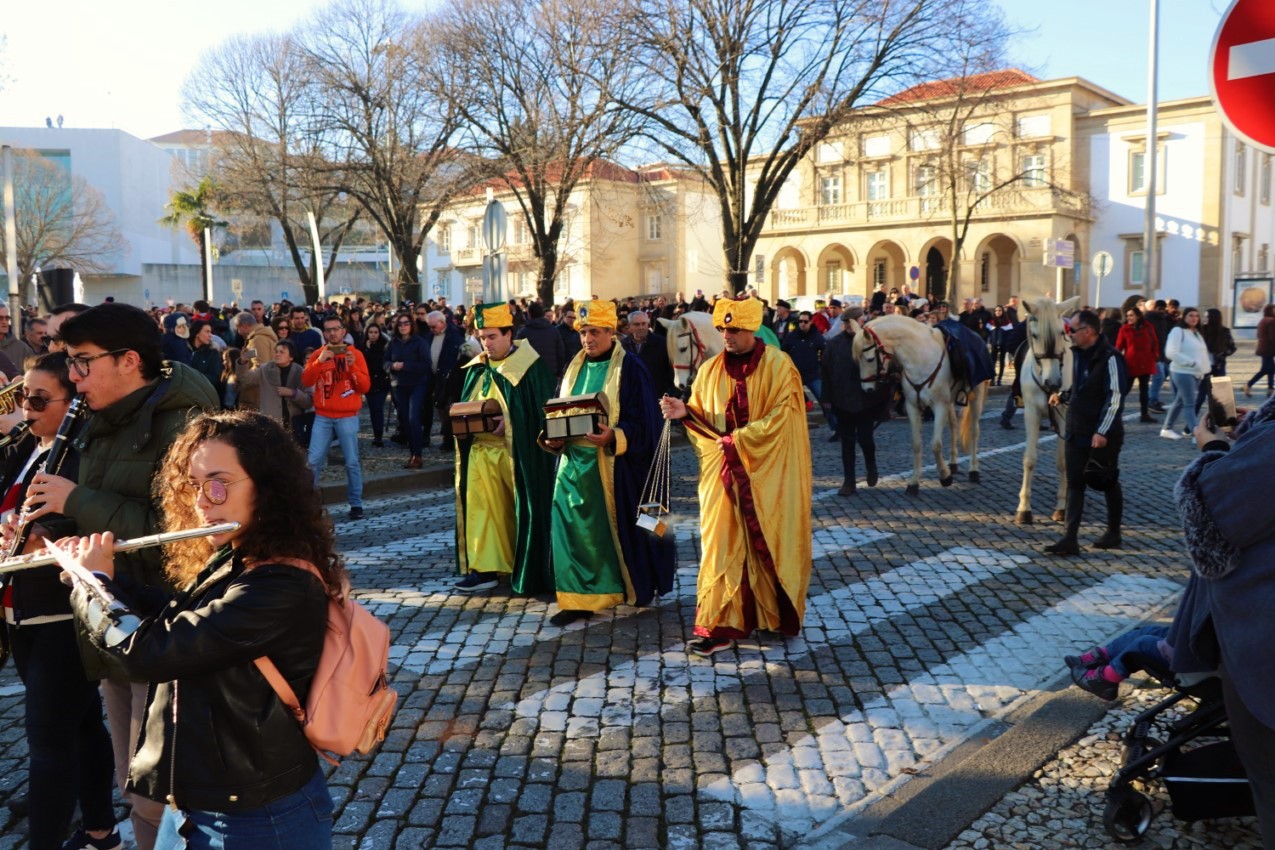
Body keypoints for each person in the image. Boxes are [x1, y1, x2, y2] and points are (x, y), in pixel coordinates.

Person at [59, 411, 337, 848]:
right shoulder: (240, 554)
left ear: (268, 487)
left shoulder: (283, 584)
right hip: (194, 803)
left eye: (219, 482)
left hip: (256, 818)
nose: (203, 501)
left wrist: (93, 587)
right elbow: (178, 614)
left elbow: (151, 650)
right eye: (194, 484)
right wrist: (96, 577)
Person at [20, 303, 219, 850]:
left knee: (161, 789)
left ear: (129, 360)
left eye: (82, 363)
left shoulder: (185, 425)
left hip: (163, 624)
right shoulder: (101, 418)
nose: (74, 377)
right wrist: (48, 532)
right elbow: (98, 518)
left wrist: (76, 498)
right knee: (133, 781)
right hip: (112, 620)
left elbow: (181, 535)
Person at [0, 353, 118, 850]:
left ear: (71, 403)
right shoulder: (26, 444)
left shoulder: (80, 452)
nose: (25, 407)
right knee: (85, 724)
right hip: (20, 608)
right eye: (24, 396)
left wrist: (43, 533)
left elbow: (94, 518)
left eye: (37, 398)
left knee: (48, 744)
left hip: (57, 610)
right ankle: (100, 830)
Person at [659, 296, 812, 656]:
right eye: (723, 329)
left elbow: (784, 421)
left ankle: (771, 616)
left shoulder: (780, 366)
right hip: (721, 477)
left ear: (752, 329)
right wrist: (683, 411)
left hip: (770, 477)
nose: (727, 335)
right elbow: (702, 421)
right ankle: (718, 625)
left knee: (769, 542)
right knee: (719, 546)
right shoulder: (710, 370)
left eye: (735, 329)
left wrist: (736, 441)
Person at [540, 300, 675, 626]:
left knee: (623, 532)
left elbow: (645, 422)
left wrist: (615, 435)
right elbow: (558, 412)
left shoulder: (631, 368)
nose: (588, 339)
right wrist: (550, 438)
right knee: (570, 531)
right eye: (584, 333)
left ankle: (625, 586)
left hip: (615, 470)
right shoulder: (573, 369)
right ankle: (578, 598)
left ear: (611, 332)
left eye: (595, 332)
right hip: (573, 469)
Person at [453, 303, 556, 594]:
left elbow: (540, 413)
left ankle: (521, 565)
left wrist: (509, 422)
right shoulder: (477, 368)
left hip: (515, 456)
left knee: (517, 511)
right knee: (483, 512)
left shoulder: (530, 368)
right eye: (482, 337)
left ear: (509, 334)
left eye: (493, 336)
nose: (487, 343)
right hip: (480, 455)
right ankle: (485, 568)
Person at [1043, 309, 1128, 556]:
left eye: (1073, 330)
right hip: (1075, 431)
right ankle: (1070, 538)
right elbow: (1083, 389)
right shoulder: (1078, 354)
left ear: (1088, 332)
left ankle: (1113, 532)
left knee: (1107, 481)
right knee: (1075, 484)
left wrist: (1102, 432)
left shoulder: (1111, 358)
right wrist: (1064, 396)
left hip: (1102, 436)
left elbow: (1114, 398)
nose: (1069, 335)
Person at [302, 315, 371, 520]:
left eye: (336, 329)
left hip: (348, 415)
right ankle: (309, 505)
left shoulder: (355, 354)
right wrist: (319, 362)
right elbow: (306, 380)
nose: (332, 333)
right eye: (328, 329)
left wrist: (352, 368)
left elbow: (365, 387)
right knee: (313, 461)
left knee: (351, 462)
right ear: (324, 333)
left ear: (343, 331)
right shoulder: (318, 354)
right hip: (323, 415)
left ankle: (356, 504)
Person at [821, 321, 883, 495]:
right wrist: (826, 397)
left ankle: (871, 465)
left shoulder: (869, 340)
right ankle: (849, 481)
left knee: (865, 439)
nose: (849, 325)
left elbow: (881, 367)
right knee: (847, 442)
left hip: (865, 400)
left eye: (852, 322)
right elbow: (825, 370)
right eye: (846, 322)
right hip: (842, 400)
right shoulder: (834, 343)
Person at [1065, 624, 1172, 700]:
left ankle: (1104, 680)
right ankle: (1101, 658)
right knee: (1152, 631)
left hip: (1182, 663)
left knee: (1144, 644)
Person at [236, 339, 313, 443]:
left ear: (291, 357)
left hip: (293, 425)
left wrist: (293, 393)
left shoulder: (300, 372)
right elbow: (246, 379)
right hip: (270, 425)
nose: (277, 354)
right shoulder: (265, 369)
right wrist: (243, 361)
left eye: (282, 352)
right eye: (276, 351)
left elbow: (309, 402)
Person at [386, 311, 431, 467]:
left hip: (417, 384)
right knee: (405, 420)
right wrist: (391, 366)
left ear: (411, 325)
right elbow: (385, 361)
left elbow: (426, 365)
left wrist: (405, 366)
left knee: (413, 418)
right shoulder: (393, 343)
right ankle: (412, 453)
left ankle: (417, 456)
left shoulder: (420, 342)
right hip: (400, 385)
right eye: (400, 324)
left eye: (406, 323)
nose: (403, 326)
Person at [1160, 307, 1208, 440]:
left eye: (1196, 316)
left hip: (1196, 373)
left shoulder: (1196, 332)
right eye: (1191, 315)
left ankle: (1166, 428)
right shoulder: (1178, 331)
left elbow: (1201, 353)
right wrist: (1190, 363)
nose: (1194, 318)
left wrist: (1204, 369)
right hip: (1182, 372)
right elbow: (1171, 352)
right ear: (1184, 317)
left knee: (1179, 401)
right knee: (1189, 404)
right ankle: (1196, 433)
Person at [424, 311, 465, 453]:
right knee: (440, 409)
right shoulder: (430, 336)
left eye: (433, 326)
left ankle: (449, 440)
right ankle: (446, 438)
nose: (431, 329)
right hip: (435, 378)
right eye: (429, 327)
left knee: (449, 410)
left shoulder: (455, 336)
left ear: (442, 323)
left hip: (450, 379)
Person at [1115, 306, 1160, 423]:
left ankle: (1144, 415)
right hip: (1131, 364)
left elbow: (1155, 342)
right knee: (1124, 390)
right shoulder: (1124, 329)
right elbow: (1118, 347)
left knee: (1144, 390)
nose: (1129, 318)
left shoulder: (1148, 326)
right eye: (1127, 316)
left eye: (1131, 315)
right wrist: (1115, 360)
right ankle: (1115, 413)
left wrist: (1154, 356)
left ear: (1138, 316)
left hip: (1146, 362)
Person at [621, 310, 675, 398]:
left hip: (657, 396)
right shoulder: (622, 345)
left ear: (648, 324)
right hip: (633, 397)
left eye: (643, 323)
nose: (641, 327)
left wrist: (670, 393)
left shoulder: (662, 343)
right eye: (636, 324)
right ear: (629, 326)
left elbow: (671, 371)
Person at [358, 322, 391, 447]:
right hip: (368, 382)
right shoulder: (362, 347)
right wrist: (367, 349)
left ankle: (379, 435)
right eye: (371, 332)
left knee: (378, 408)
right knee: (373, 409)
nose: (373, 335)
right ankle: (376, 433)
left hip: (381, 382)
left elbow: (380, 363)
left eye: (376, 332)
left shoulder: (384, 346)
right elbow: (363, 364)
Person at [515, 301, 567, 381]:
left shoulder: (523, 332)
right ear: (543, 314)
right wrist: (559, 373)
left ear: (529, 314)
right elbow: (560, 353)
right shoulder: (554, 330)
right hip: (551, 373)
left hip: (530, 375)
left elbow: (516, 355)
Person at [1144, 300, 1172, 413]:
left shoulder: (1163, 319)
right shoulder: (1149, 319)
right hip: (1152, 353)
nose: (1162, 311)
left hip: (1161, 352)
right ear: (1155, 308)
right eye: (1159, 309)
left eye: (1163, 309)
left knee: (1163, 374)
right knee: (1159, 376)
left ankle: (1153, 398)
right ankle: (1152, 400)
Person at [188, 320, 224, 401]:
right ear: (197, 333)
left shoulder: (212, 353)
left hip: (204, 397)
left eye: (210, 332)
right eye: (207, 332)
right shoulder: (184, 350)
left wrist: (192, 378)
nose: (210, 335)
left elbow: (214, 377)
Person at [1245, 303, 1275, 398]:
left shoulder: (1263, 320)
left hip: (1263, 348)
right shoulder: (1271, 321)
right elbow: (1273, 337)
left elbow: (1259, 335)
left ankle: (1270, 389)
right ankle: (1248, 385)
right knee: (1265, 369)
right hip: (1268, 349)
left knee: (1271, 368)